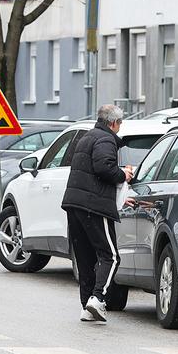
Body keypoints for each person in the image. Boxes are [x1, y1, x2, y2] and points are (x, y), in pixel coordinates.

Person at [61, 103, 134, 324]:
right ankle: (98, 298)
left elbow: (90, 172)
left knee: (85, 258)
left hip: (75, 205)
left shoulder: (86, 137)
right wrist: (124, 175)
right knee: (110, 256)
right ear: (113, 123)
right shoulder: (105, 139)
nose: (120, 127)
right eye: (120, 123)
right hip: (94, 207)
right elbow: (104, 168)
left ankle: (86, 307)